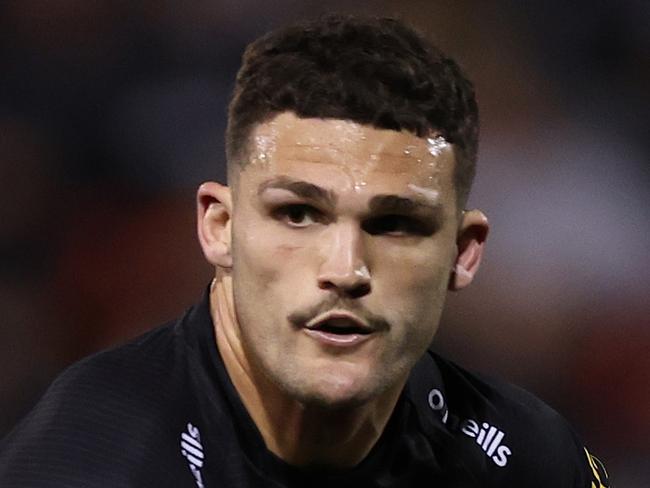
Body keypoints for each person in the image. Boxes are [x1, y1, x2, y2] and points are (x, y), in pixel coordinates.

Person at [0, 14, 609, 488]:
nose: (345, 270)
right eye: (297, 214)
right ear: (219, 228)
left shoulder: (528, 457)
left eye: (396, 224)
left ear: (463, 252)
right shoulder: (93, 463)